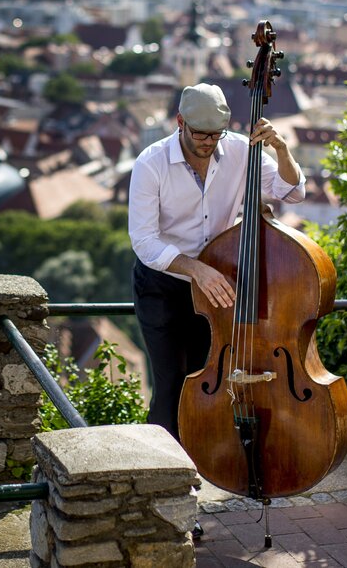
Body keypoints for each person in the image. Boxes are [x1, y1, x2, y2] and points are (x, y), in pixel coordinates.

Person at [127, 82, 306, 441]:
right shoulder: (151, 163)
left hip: (216, 286)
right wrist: (196, 269)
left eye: (216, 134)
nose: (208, 142)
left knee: (207, 376)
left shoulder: (240, 150)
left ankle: (202, 458)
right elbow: (144, 241)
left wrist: (281, 149)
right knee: (171, 382)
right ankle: (161, 461)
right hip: (163, 284)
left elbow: (292, 192)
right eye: (200, 133)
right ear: (180, 122)